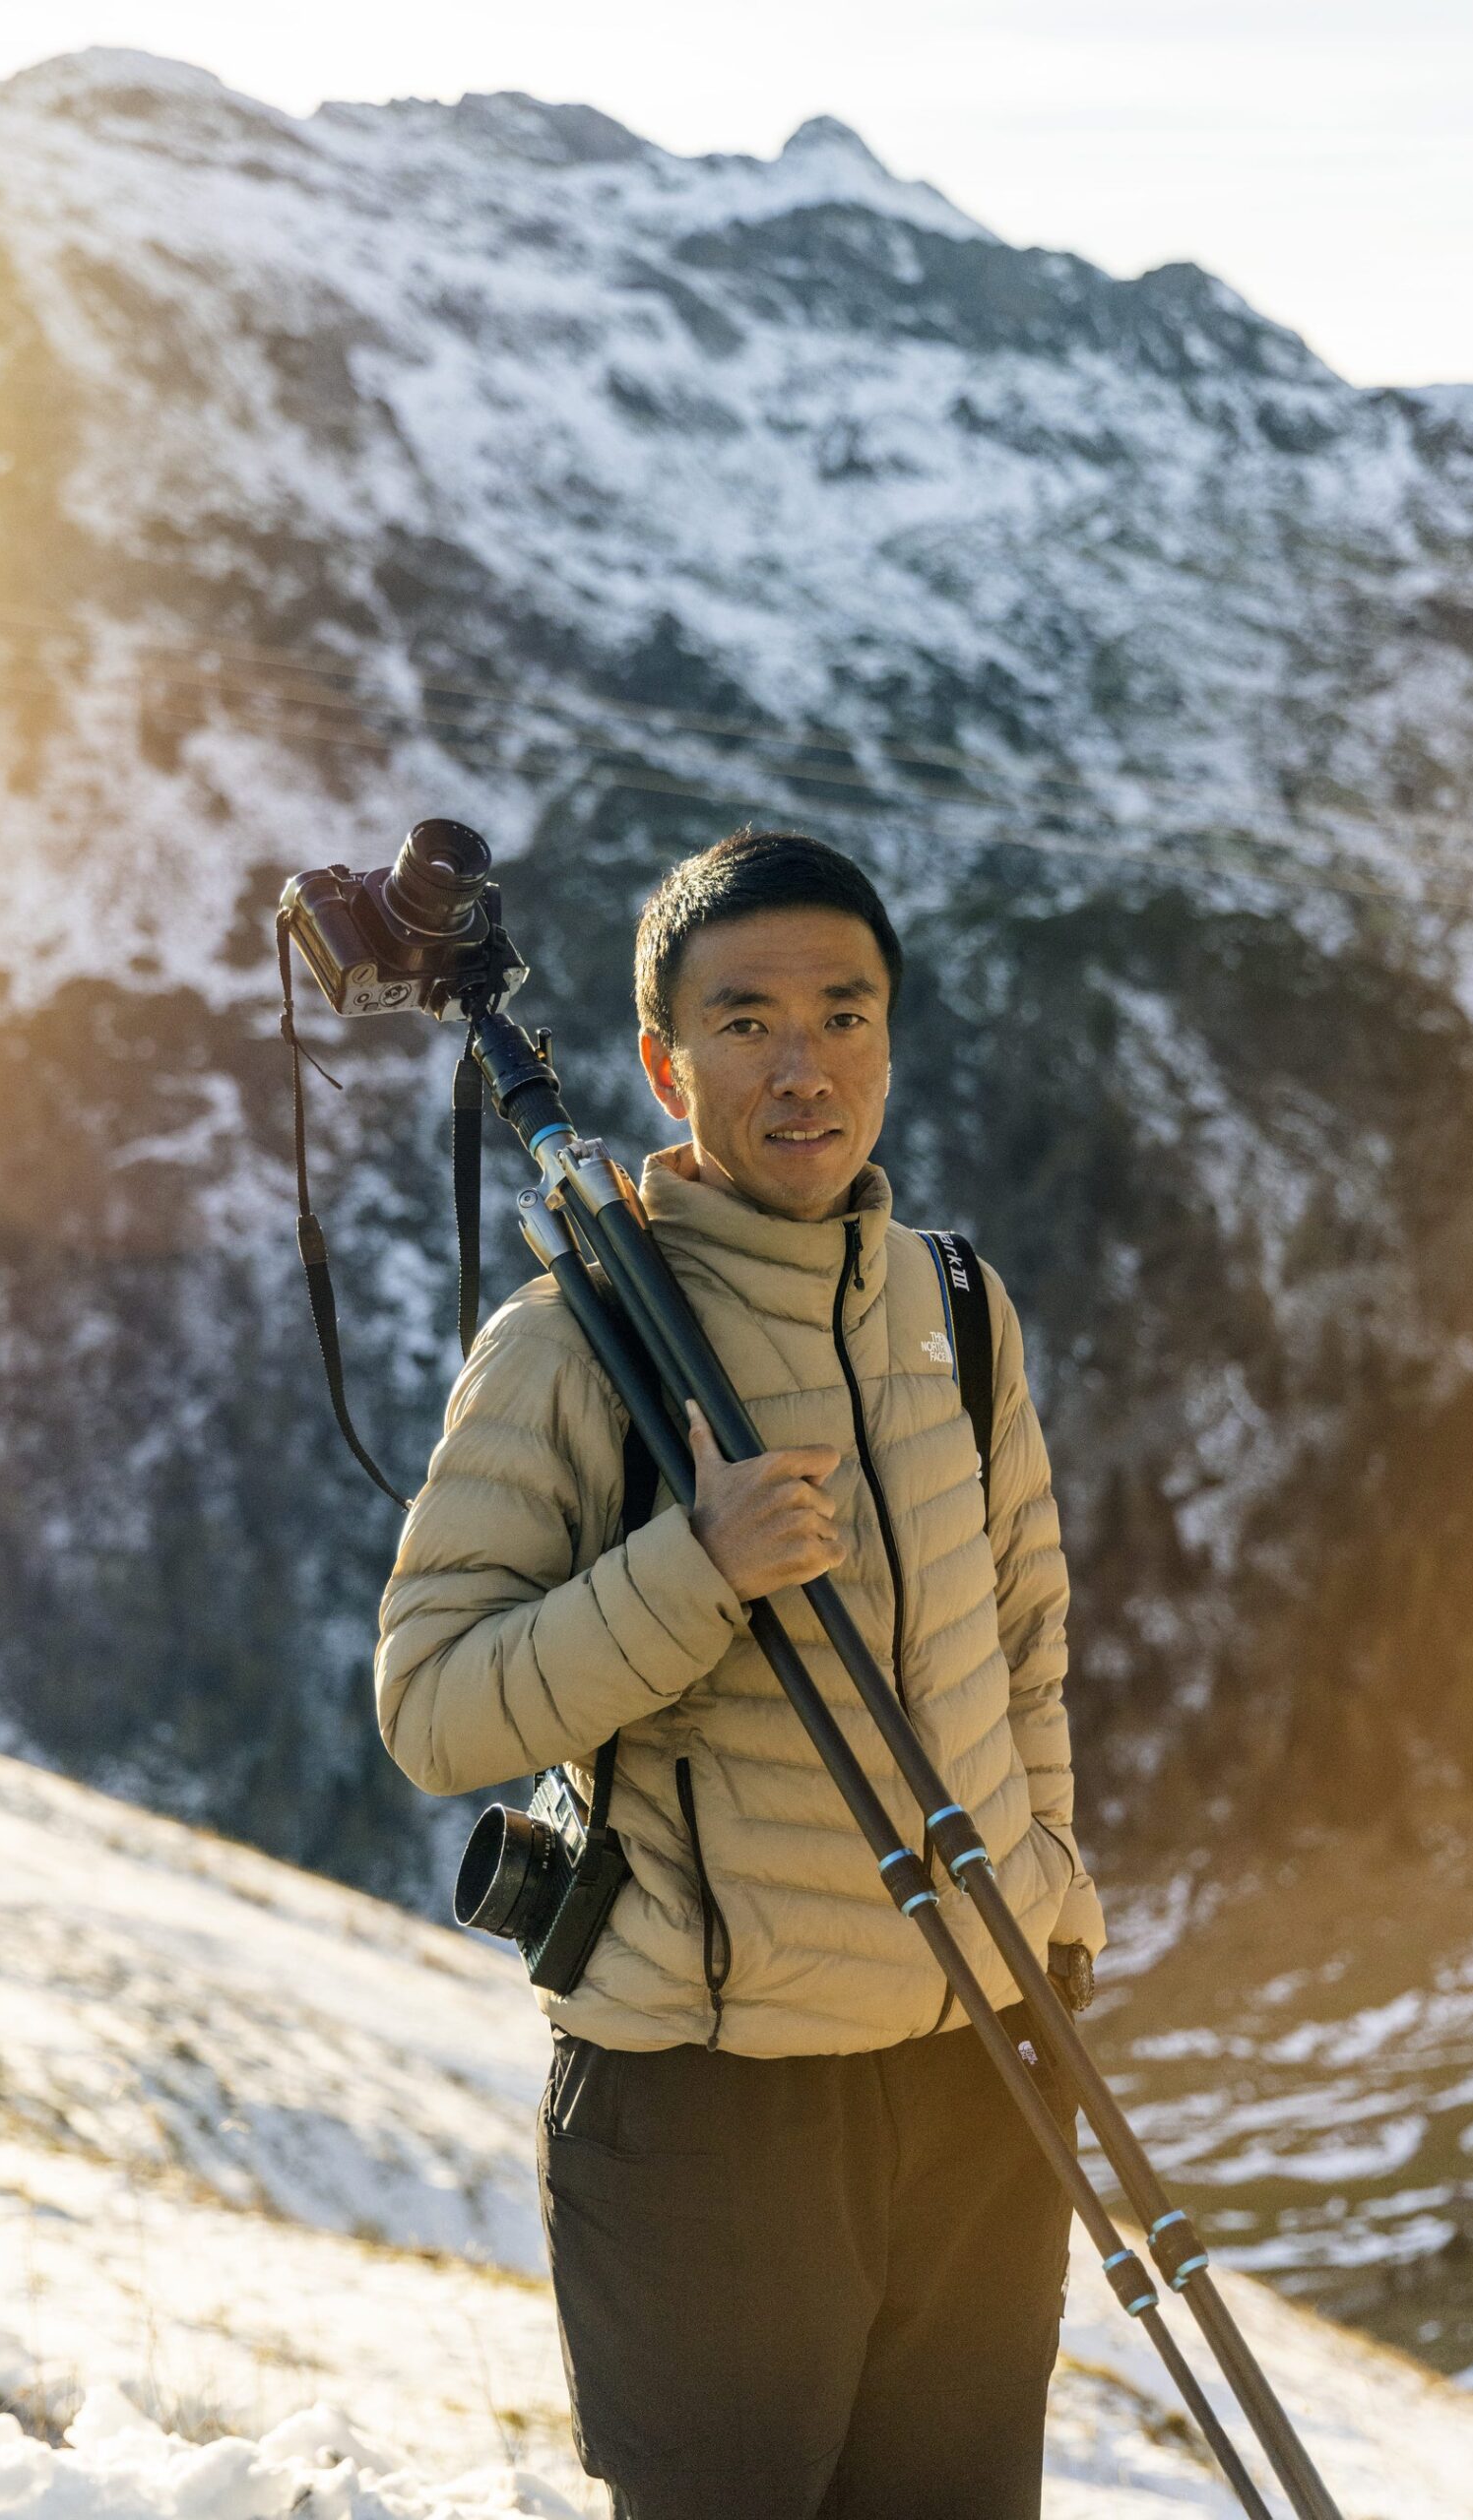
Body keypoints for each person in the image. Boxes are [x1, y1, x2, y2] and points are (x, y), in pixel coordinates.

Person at [375, 830, 1106, 2520]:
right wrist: (694, 1570)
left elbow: (1025, 1640)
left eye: (844, 1016)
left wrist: (1051, 1908)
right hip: (711, 2115)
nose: (803, 1068)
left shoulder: (958, 1309)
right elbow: (432, 1707)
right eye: (748, 1022)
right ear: (666, 1063)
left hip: (983, 2068)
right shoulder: (577, 1342)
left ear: (891, 1044)